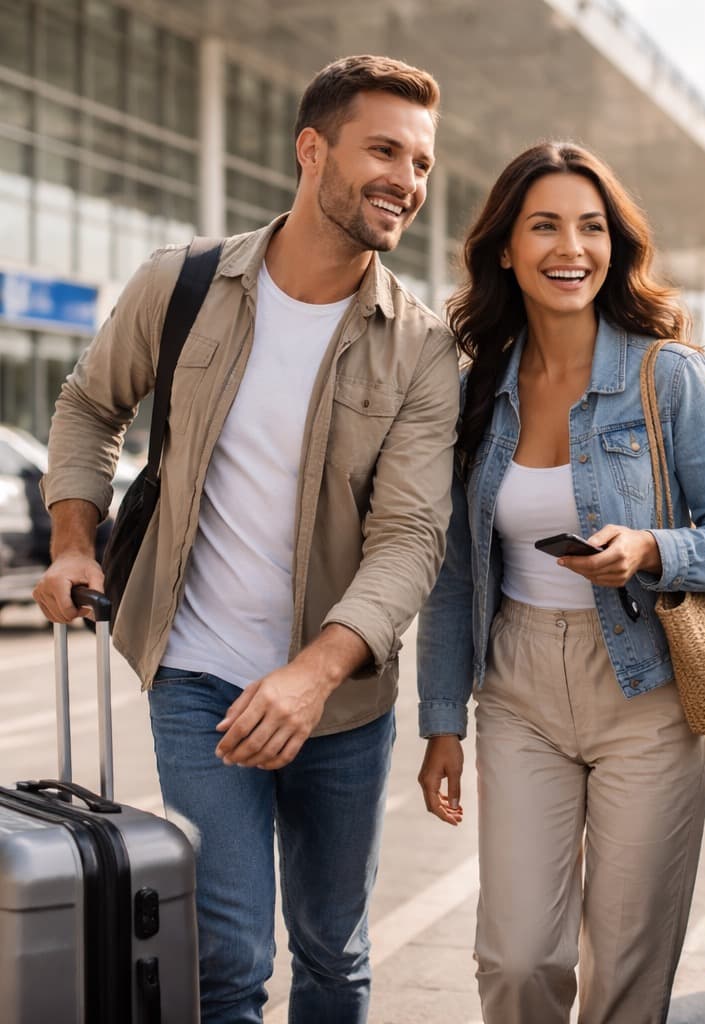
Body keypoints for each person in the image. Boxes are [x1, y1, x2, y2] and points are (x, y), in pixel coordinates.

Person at [33, 55, 459, 1024]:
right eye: (383, 150)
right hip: (197, 675)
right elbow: (90, 405)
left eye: (421, 163)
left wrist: (313, 674)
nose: (406, 180)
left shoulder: (423, 348)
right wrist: (72, 538)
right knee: (226, 958)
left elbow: (409, 537)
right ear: (312, 150)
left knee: (333, 951)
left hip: (342, 702)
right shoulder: (182, 283)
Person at [415, 140, 705, 1024]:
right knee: (517, 960)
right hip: (520, 688)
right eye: (544, 227)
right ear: (506, 249)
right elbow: (455, 574)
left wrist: (651, 549)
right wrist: (441, 720)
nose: (571, 248)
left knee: (626, 969)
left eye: (591, 227)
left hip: (647, 692)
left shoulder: (668, 375)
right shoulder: (476, 392)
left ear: (616, 245)